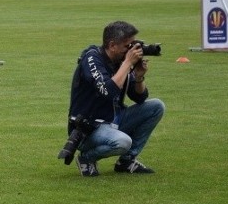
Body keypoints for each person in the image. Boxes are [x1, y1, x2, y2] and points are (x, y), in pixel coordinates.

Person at [66, 20, 165, 177]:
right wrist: (127, 63)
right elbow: (107, 91)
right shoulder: (92, 59)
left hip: (114, 119)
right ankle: (86, 159)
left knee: (156, 107)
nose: (132, 50)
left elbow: (139, 98)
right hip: (89, 128)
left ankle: (126, 161)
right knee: (123, 142)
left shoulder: (120, 61)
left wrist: (139, 77)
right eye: (128, 46)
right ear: (112, 45)